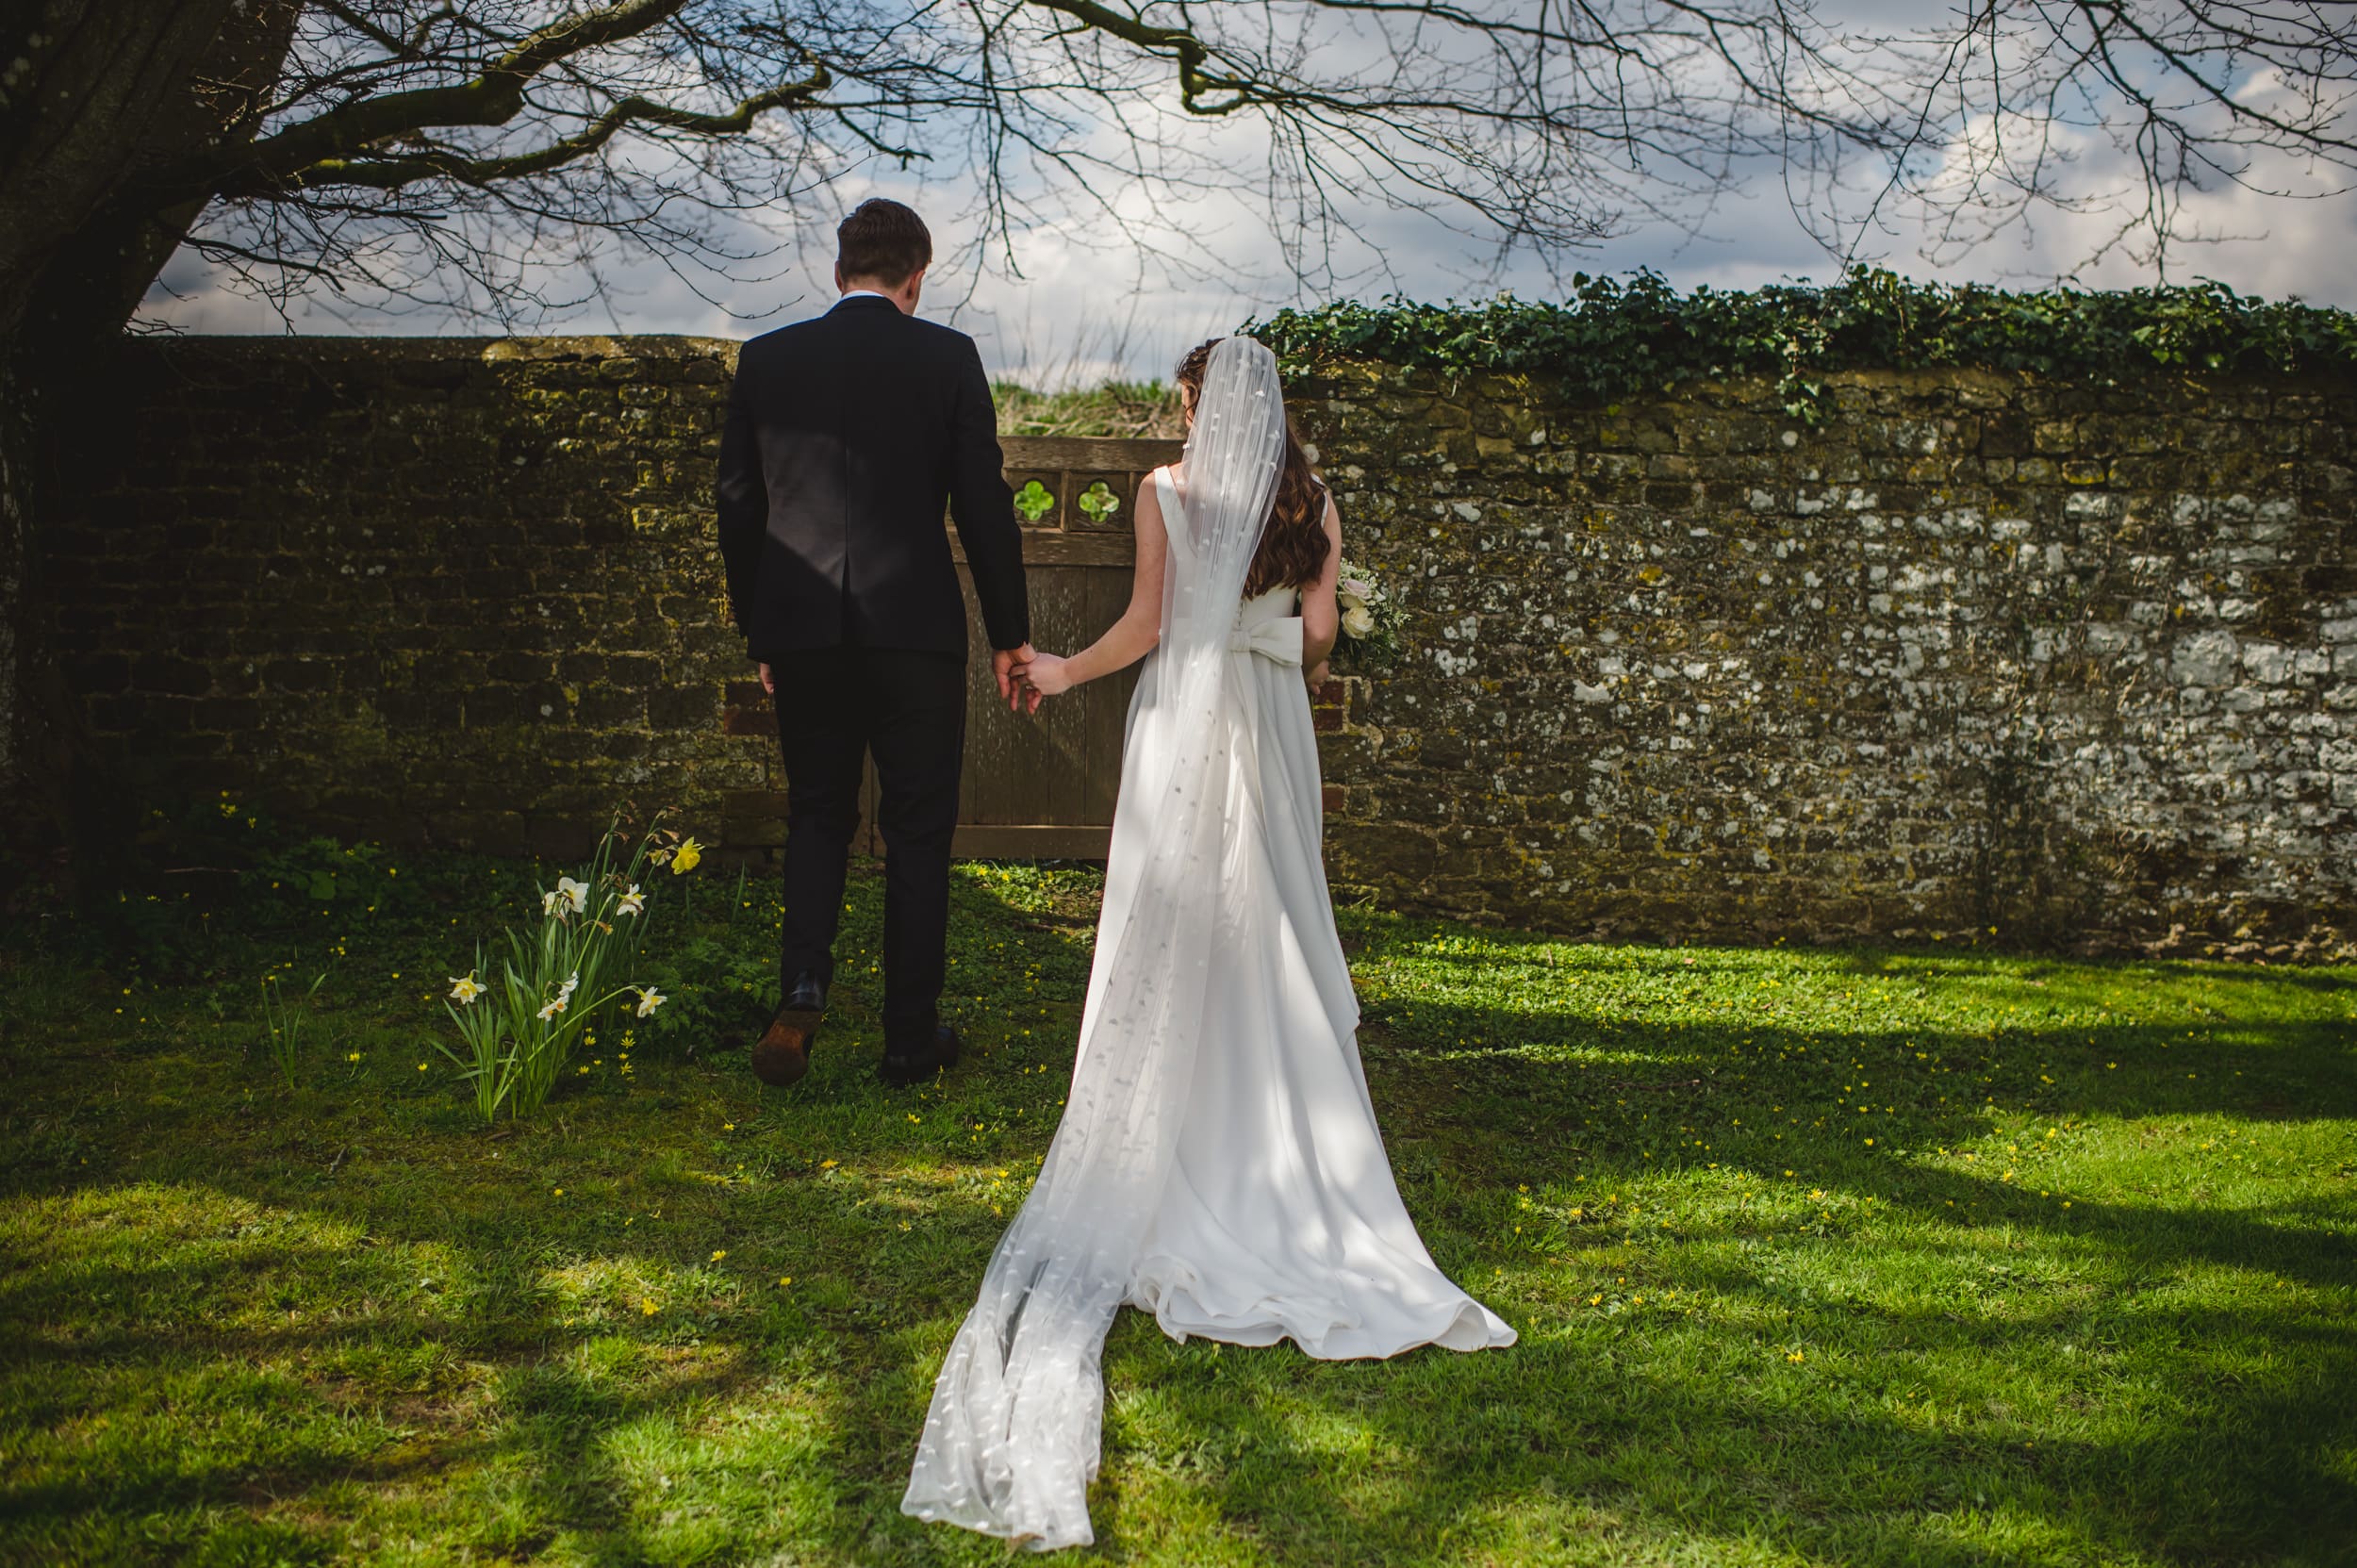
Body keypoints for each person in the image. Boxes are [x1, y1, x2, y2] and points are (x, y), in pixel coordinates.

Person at [901, 337, 1515, 1550]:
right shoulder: (1312, 500)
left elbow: (1144, 622)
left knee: (1178, 911)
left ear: (1197, 403)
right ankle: (1290, 1131)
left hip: (1184, 724)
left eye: (1181, 401)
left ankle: (1176, 1127)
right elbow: (1324, 637)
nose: (1178, 418)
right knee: (1274, 915)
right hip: (1273, 725)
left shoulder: (1168, 493)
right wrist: (1282, 625)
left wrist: (1064, 668)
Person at [715, 198, 1032, 1089]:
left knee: (818, 813)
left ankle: (804, 989)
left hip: (805, 633)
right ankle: (907, 1036)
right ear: (917, 276)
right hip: (915, 636)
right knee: (917, 830)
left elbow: (738, 505)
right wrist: (1011, 634)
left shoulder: (768, 360)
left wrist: (761, 630)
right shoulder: (948, 357)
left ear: (839, 268)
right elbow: (984, 507)